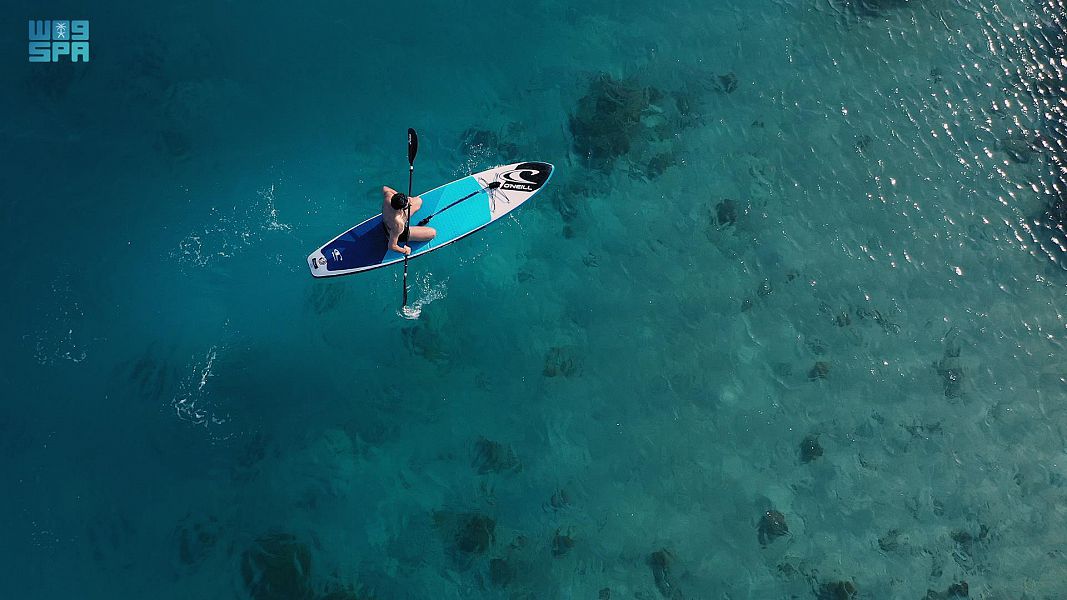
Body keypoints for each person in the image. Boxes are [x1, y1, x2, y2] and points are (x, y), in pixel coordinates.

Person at [382, 186, 436, 255]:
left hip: (388, 219)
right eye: (407, 206)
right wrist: (405, 251)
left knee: (418, 201)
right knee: (433, 233)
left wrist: (401, 199)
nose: (409, 203)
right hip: (394, 232)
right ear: (401, 209)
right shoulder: (398, 224)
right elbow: (392, 246)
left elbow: (385, 188)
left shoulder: (388, 197)